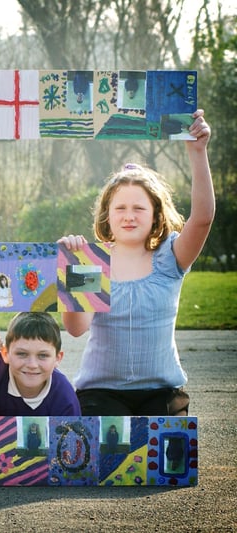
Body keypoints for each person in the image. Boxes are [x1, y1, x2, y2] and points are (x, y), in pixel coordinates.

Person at [59, 109, 213, 416]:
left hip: (161, 393)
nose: (129, 215)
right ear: (107, 215)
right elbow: (76, 328)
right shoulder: (91, 259)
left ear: (156, 214)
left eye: (139, 208)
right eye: (121, 208)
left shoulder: (171, 256)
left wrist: (198, 152)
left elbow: (203, 219)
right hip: (100, 394)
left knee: (164, 457)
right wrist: (72, 267)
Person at [0, 312, 81, 416]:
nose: (32, 365)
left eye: (43, 355)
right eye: (22, 354)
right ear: (5, 354)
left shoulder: (64, 397)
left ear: (57, 358)